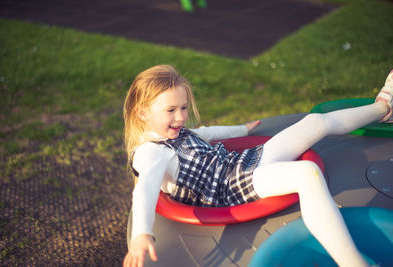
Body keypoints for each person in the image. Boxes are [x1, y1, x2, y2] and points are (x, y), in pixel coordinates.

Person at [122, 65, 392, 267]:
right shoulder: (150, 153)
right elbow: (145, 189)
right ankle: (354, 262)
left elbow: (208, 132)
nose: (181, 117)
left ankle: (383, 108)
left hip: (245, 163)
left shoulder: (177, 132)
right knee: (306, 174)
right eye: (171, 110)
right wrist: (141, 235)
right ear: (143, 113)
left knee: (315, 123)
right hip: (231, 188)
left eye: (183, 108)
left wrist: (243, 128)